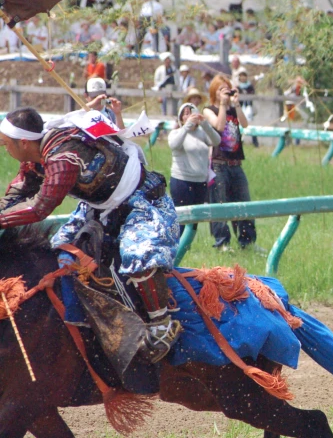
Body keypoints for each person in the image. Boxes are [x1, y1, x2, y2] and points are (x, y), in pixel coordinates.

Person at [0, 107, 181, 362]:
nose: (5, 149)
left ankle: (161, 323)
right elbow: (19, 192)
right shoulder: (36, 155)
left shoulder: (63, 157)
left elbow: (40, 208)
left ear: (24, 142)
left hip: (141, 202)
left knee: (138, 254)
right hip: (99, 207)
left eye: (6, 144)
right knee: (58, 251)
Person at [203, 75, 257, 250]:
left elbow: (245, 124)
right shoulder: (209, 109)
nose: (225, 93)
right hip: (219, 164)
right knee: (219, 203)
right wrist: (223, 105)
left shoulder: (233, 110)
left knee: (244, 203)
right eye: (221, 89)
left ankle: (247, 241)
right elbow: (219, 126)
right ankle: (222, 242)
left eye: (228, 89)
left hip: (236, 163)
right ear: (214, 92)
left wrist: (236, 104)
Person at [169, 103, 221, 236]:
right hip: (182, 181)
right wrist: (186, 126)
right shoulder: (177, 133)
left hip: (200, 182)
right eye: (185, 113)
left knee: (194, 220)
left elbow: (216, 140)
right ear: (181, 118)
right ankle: (175, 245)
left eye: (192, 112)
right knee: (181, 219)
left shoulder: (201, 134)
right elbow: (174, 144)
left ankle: (187, 245)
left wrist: (205, 124)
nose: (189, 115)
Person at [236, 68, 259, 148]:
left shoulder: (250, 87)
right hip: (241, 108)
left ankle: (255, 142)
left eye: (244, 75)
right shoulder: (237, 87)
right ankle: (239, 142)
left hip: (248, 107)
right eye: (241, 76)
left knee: (250, 125)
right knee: (239, 124)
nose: (242, 77)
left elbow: (252, 95)